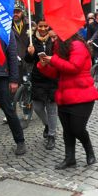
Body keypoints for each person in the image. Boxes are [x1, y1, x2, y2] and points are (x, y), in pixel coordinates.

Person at [37, 33, 98, 169]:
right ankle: (70, 158)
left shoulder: (78, 45)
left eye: (55, 35)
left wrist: (53, 60)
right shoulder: (60, 46)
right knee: (67, 130)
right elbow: (57, 72)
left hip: (82, 95)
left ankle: (89, 151)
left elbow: (74, 67)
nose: (52, 38)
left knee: (77, 128)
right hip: (65, 95)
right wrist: (44, 65)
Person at [25, 20, 58, 150]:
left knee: (51, 109)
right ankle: (48, 125)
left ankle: (52, 135)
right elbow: (27, 59)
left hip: (52, 77)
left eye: (45, 26)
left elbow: (60, 56)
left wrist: (51, 59)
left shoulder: (54, 39)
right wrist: (30, 53)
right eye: (40, 26)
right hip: (38, 78)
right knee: (38, 107)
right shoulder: (32, 40)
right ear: (37, 27)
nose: (43, 28)